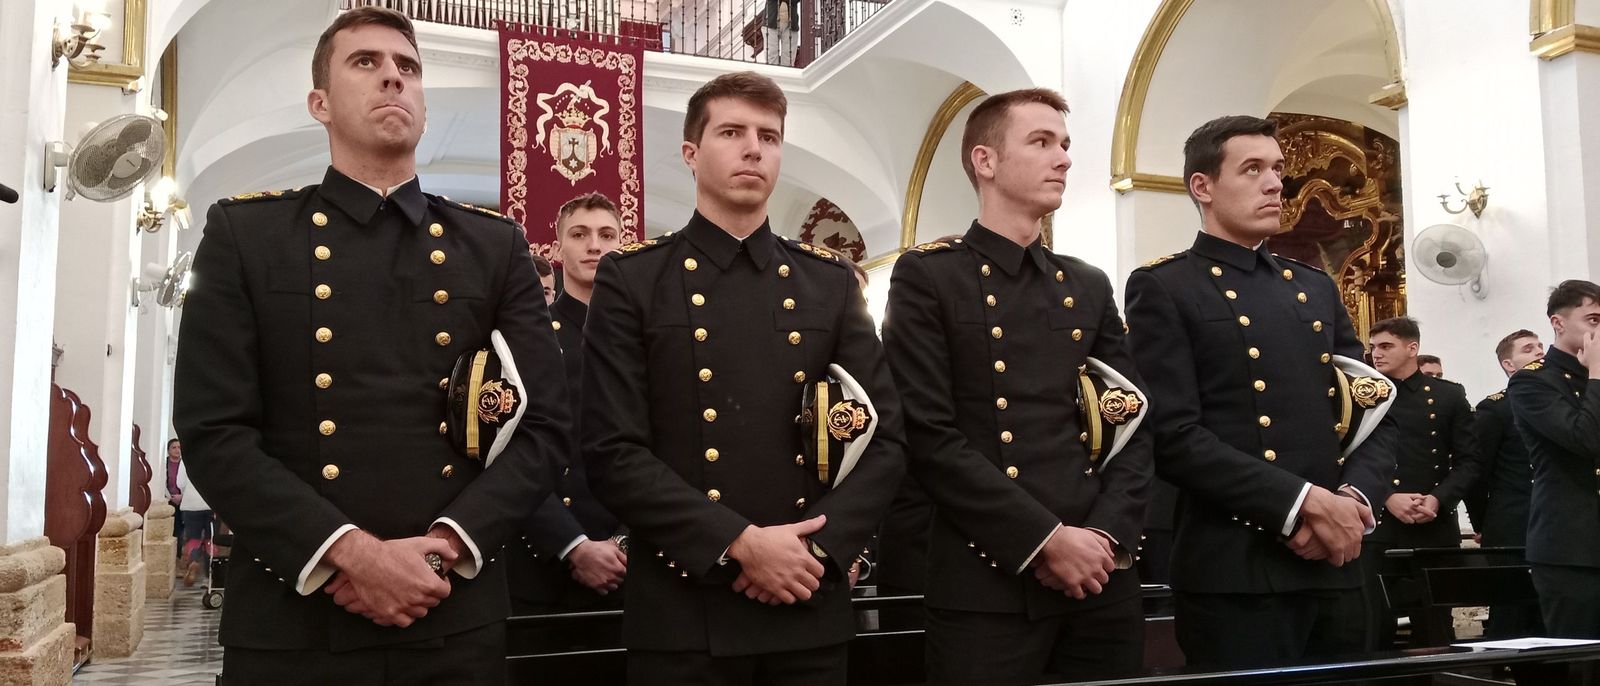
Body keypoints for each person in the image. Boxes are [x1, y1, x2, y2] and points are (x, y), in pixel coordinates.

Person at [172, 7, 569, 683]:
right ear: (319, 102)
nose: (393, 78)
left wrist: (445, 546)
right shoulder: (247, 235)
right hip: (294, 619)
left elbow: (544, 428)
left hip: (452, 610)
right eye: (367, 63)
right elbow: (215, 431)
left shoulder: (493, 245)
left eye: (407, 68)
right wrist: (350, 555)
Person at [582, 70, 907, 685]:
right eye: (732, 132)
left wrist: (816, 549)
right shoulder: (633, 280)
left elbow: (885, 438)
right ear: (690, 153)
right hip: (684, 606)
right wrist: (740, 544)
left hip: (807, 595)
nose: (754, 147)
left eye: (770, 135)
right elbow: (613, 450)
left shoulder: (829, 283)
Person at [882, 88, 1151, 685]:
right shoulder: (929, 274)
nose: (1063, 158)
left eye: (1064, 144)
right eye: (1040, 142)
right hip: (988, 580)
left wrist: (1104, 535)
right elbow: (928, 433)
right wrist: (1045, 539)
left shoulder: (1086, 283)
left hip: (1101, 575)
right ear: (986, 161)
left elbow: (1129, 423)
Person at [1124, 114, 1396, 668]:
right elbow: (1172, 434)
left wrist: (1352, 501)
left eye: (1277, 169)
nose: (1275, 183)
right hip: (1238, 571)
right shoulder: (1166, 287)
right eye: (1252, 170)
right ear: (1202, 187)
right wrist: (1300, 505)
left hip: (1338, 559)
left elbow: (1372, 412)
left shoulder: (1314, 288)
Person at [509, 192, 627, 614]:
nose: (594, 245)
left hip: (638, 560)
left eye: (606, 234)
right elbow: (511, 452)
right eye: (580, 234)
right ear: (558, 248)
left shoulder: (649, 340)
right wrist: (573, 545)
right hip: (547, 562)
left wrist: (625, 540)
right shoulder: (527, 338)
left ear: (622, 244)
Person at [1361, 316, 1480, 649]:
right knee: (1375, 627)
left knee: (1435, 628)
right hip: (1378, 525)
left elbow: (1470, 461)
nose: (1376, 354)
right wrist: (1386, 496)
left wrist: (1438, 499)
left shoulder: (1448, 396)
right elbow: (1346, 458)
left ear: (1412, 348)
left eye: (1386, 346)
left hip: (1433, 526)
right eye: (1372, 347)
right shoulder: (1362, 395)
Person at [1510, 280, 1600, 641]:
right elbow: (1585, 438)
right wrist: (1597, 373)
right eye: (1593, 319)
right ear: (1558, 324)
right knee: (1581, 663)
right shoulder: (1532, 383)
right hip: (1572, 547)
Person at [174, 457, 214, 587]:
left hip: (191, 504)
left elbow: (180, 483)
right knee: (210, 540)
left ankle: (193, 562)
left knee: (193, 539)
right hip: (211, 504)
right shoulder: (216, 453)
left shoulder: (186, 457)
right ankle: (208, 577)